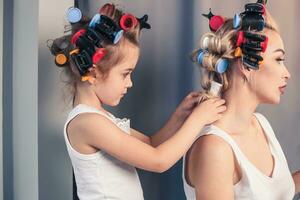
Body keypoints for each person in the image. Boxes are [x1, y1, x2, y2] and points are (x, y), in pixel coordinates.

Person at [49, 3, 226, 199]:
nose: (130, 83)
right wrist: (198, 120)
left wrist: (181, 116)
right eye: (125, 74)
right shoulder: (87, 123)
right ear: (93, 73)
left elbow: (151, 144)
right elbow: (158, 161)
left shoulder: (101, 118)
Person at [183, 1, 298, 199]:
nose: (287, 74)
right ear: (247, 65)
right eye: (278, 60)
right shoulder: (214, 148)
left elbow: (272, 192)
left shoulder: (260, 124)